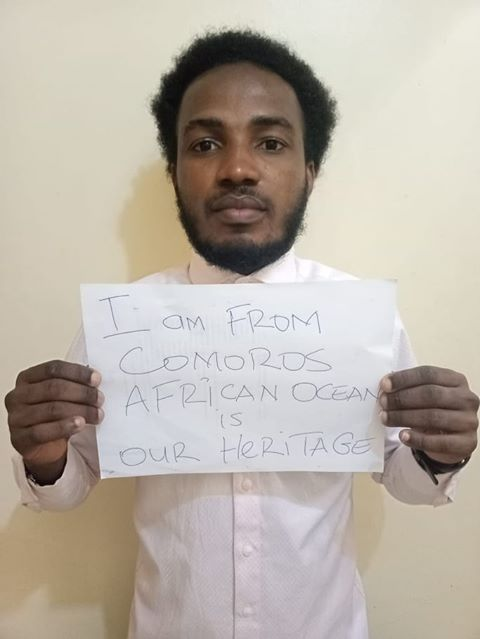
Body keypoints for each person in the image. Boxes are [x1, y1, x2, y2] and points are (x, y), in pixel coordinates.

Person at [5, 30, 479, 639]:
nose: (237, 169)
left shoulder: (360, 317)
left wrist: (439, 452)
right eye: (205, 144)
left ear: (309, 172)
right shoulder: (124, 322)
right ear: (175, 173)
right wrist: (43, 457)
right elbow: (68, 486)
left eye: (271, 142)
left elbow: (404, 479)